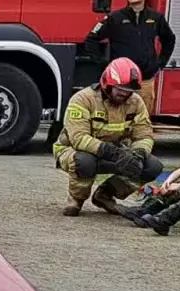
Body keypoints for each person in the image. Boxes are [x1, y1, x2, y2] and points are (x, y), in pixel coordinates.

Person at [52, 56, 163, 217]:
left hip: (114, 152)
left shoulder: (136, 102)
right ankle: (76, 199)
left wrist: (137, 154)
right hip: (73, 150)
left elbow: (144, 135)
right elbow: (79, 138)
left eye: (129, 91)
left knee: (152, 166)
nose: (124, 94)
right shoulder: (83, 99)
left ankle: (105, 194)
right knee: (84, 162)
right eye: (120, 89)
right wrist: (115, 153)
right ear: (107, 84)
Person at [84, 0, 175, 111]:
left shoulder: (156, 18)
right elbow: (91, 39)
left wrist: (160, 63)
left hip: (145, 80)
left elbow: (169, 39)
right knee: (116, 116)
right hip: (119, 83)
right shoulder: (114, 18)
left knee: (142, 118)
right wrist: (103, 64)